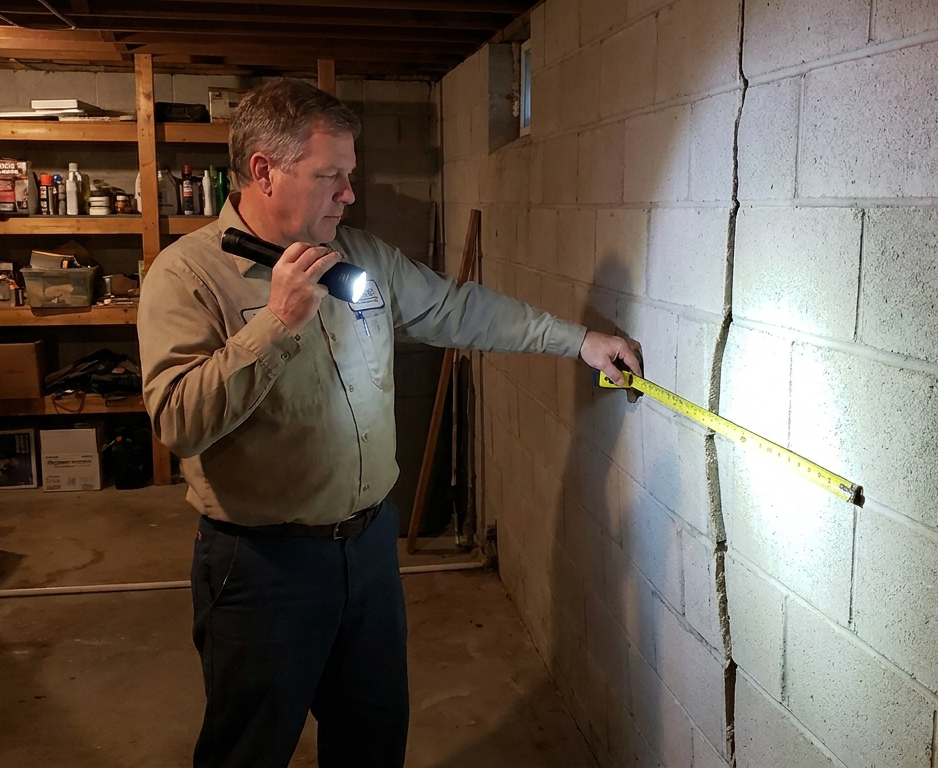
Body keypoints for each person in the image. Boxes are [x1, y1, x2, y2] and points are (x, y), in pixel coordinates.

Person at [138, 78, 643, 768]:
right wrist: (276, 324)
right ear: (263, 171)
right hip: (263, 565)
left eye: (350, 175)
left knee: (373, 738)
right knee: (248, 747)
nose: (348, 194)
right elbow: (178, 421)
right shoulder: (188, 275)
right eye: (331, 177)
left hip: (370, 548)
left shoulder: (362, 259)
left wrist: (577, 340)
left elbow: (456, 308)